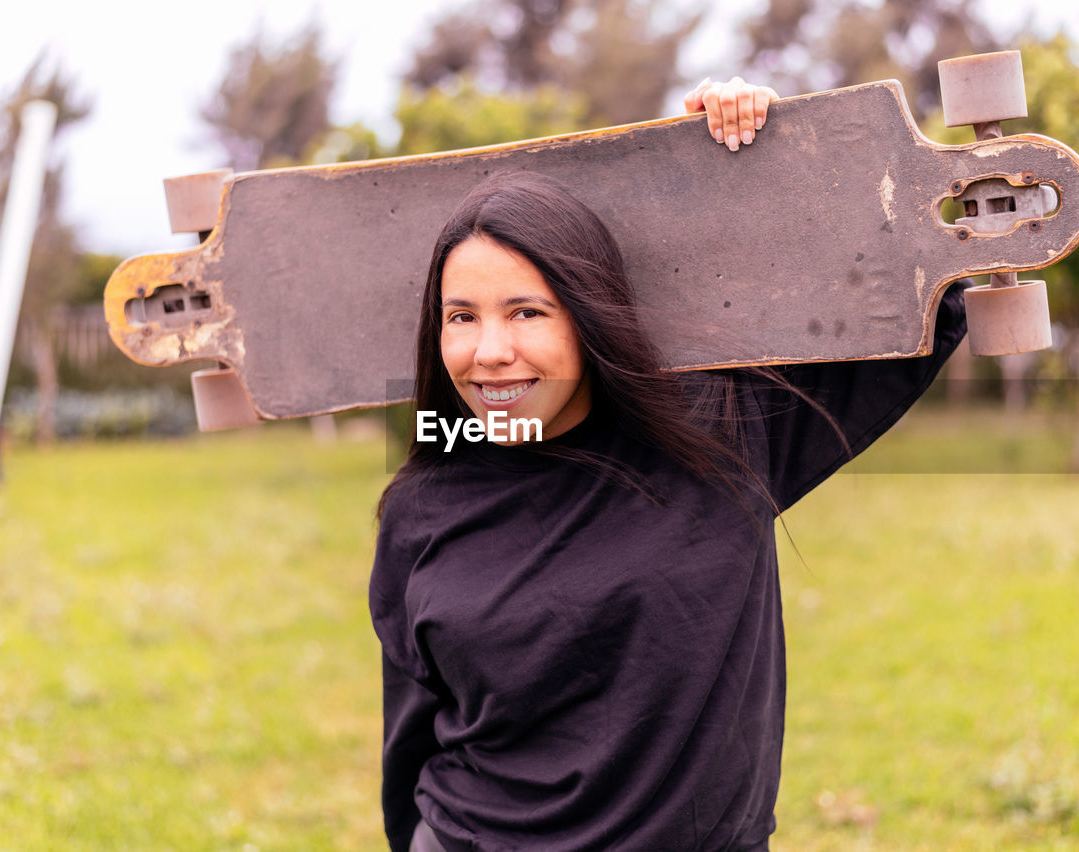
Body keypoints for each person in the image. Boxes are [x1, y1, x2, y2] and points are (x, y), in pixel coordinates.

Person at [370, 77, 967, 851]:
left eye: (527, 312)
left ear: (588, 315)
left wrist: (764, 160)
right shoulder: (422, 504)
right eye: (461, 318)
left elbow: (924, 304)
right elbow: (411, 731)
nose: (489, 352)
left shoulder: (721, 439)